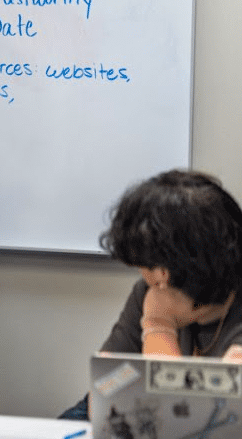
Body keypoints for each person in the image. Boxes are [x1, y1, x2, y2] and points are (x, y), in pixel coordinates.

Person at [59, 169, 242, 420]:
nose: (141, 273)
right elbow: (104, 393)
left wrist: (159, 326)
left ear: (163, 274)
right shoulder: (148, 293)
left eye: (144, 263)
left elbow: (177, 420)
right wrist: (157, 324)